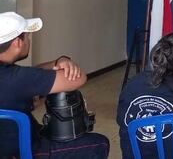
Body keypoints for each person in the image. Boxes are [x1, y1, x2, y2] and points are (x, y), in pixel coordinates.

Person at [0, 12, 109, 158]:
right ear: (17, 43)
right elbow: (79, 78)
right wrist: (66, 63)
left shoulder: (16, 76)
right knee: (99, 143)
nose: (29, 41)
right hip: (23, 150)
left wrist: (58, 61)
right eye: (27, 36)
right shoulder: (16, 77)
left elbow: (30, 74)